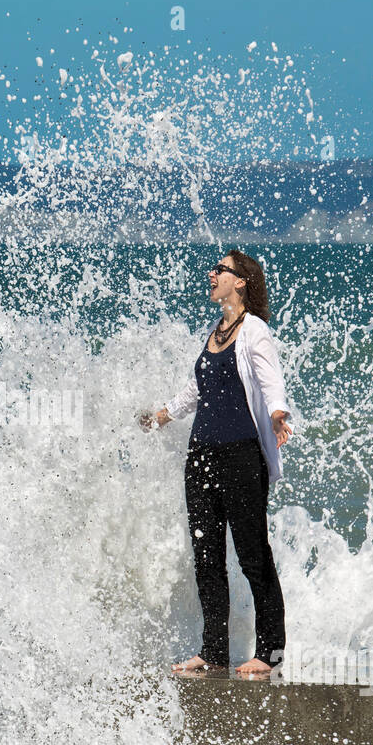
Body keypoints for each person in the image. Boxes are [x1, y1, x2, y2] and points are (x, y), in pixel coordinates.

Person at [139, 250, 293, 678]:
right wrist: (161, 416)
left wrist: (279, 413)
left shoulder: (254, 330)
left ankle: (270, 652)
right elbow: (195, 389)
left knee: (251, 555)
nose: (212, 273)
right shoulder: (216, 331)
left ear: (240, 282)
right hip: (201, 458)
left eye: (220, 270)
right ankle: (213, 651)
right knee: (206, 558)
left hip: (241, 457)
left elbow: (269, 379)